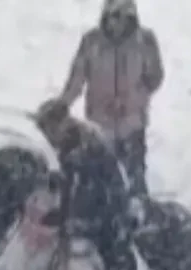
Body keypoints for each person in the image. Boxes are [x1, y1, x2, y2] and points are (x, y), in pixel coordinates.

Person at [33, 98, 155, 270]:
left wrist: (67, 222)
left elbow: (83, 197)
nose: (47, 138)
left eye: (48, 131)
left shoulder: (84, 152)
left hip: (110, 221)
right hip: (107, 216)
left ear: (61, 123)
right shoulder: (76, 140)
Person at [57, 0, 164, 195]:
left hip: (132, 127)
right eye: (115, 16)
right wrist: (63, 104)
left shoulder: (145, 42)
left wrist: (131, 101)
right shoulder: (91, 42)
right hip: (99, 128)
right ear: (106, 15)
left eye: (125, 17)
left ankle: (137, 220)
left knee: (134, 185)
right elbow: (77, 78)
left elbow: (155, 79)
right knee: (99, 185)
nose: (119, 22)